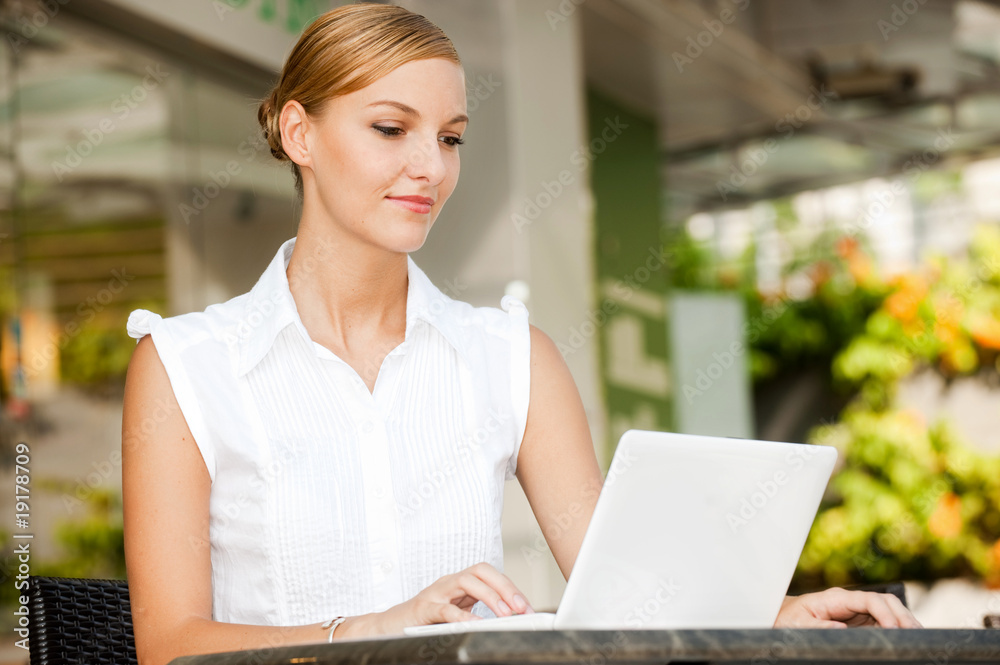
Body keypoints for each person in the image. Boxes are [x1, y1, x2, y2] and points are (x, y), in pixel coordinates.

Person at [121, 4, 920, 665]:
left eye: (451, 137)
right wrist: (376, 629)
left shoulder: (508, 356)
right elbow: (169, 646)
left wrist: (772, 614)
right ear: (300, 134)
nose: (430, 166)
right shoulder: (186, 367)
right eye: (391, 128)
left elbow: (625, 588)